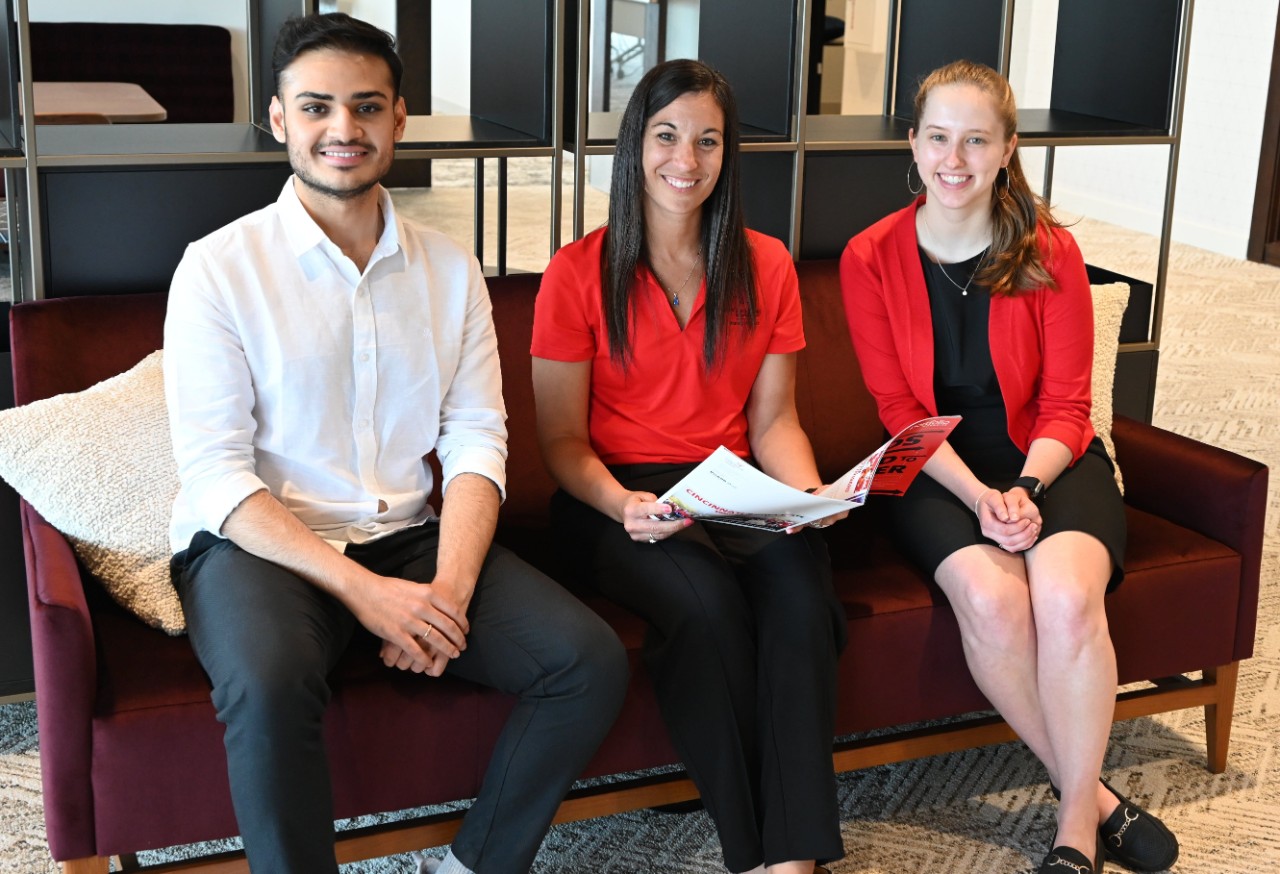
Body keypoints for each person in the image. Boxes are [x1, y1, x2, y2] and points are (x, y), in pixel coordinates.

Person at [163, 13, 627, 874]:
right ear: (279, 120)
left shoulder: (450, 269)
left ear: (400, 119)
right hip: (263, 544)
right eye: (317, 108)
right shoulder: (218, 268)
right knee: (266, 686)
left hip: (413, 536)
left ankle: (471, 865)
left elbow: (478, 439)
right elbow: (216, 473)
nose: (344, 130)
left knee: (586, 661)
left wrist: (447, 590)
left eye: (367, 107)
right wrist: (367, 596)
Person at [839, 60, 1180, 874]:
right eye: (938, 138)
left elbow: (1069, 405)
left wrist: (1024, 489)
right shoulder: (870, 257)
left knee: (1064, 594)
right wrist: (978, 495)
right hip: (936, 468)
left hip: (1050, 463)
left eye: (976, 140)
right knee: (992, 600)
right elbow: (899, 412)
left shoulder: (1052, 252)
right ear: (914, 147)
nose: (954, 159)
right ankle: (1098, 799)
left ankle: (1069, 831)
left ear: (1007, 149)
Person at [531, 59, 846, 874]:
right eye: (667, 136)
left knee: (803, 593)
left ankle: (795, 859)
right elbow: (562, 442)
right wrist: (621, 501)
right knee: (703, 604)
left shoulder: (766, 263)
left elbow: (774, 420)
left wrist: (805, 495)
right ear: (636, 144)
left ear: (727, 155)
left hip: (730, 485)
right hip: (617, 495)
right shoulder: (577, 272)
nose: (687, 159)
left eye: (708, 141)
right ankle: (757, 852)